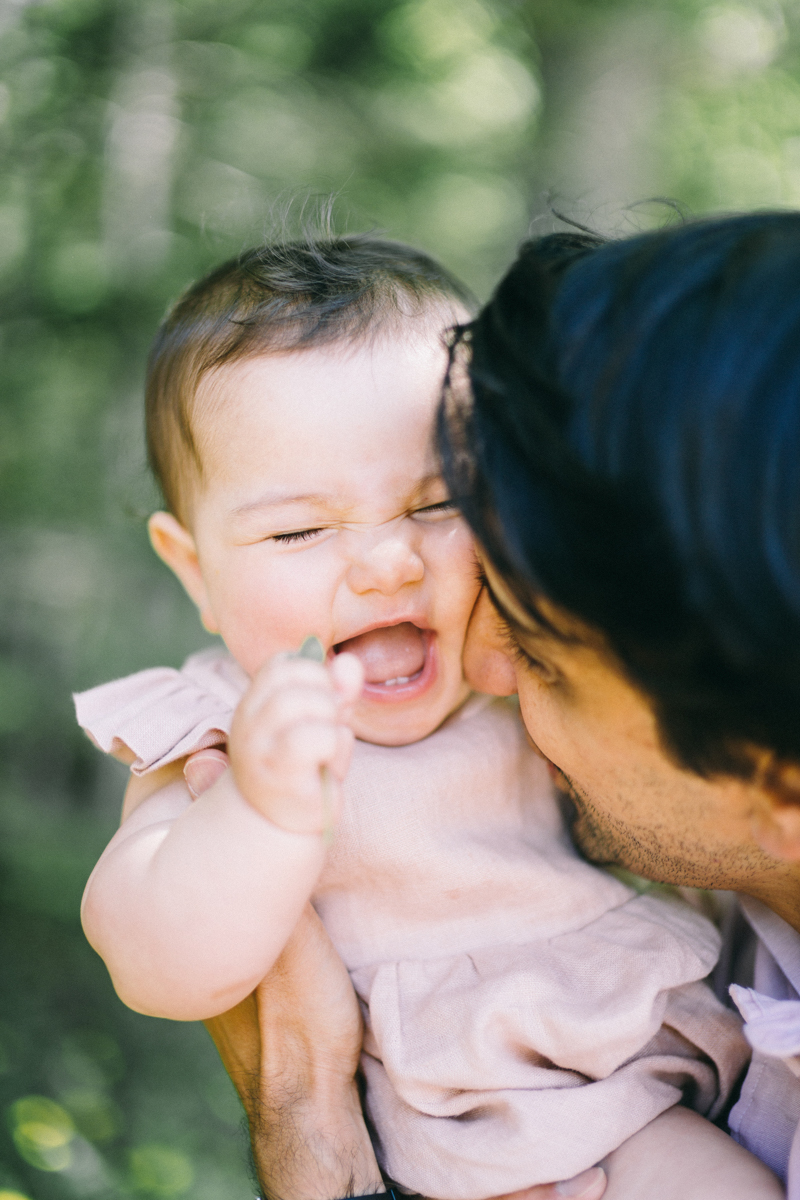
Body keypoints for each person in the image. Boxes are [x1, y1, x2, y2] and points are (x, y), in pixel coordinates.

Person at [74, 236, 774, 1200]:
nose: (388, 564)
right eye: (301, 530)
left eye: (439, 500)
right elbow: (158, 964)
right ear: (195, 569)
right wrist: (262, 814)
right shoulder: (220, 730)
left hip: (649, 1072)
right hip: (465, 1128)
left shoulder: (515, 679)